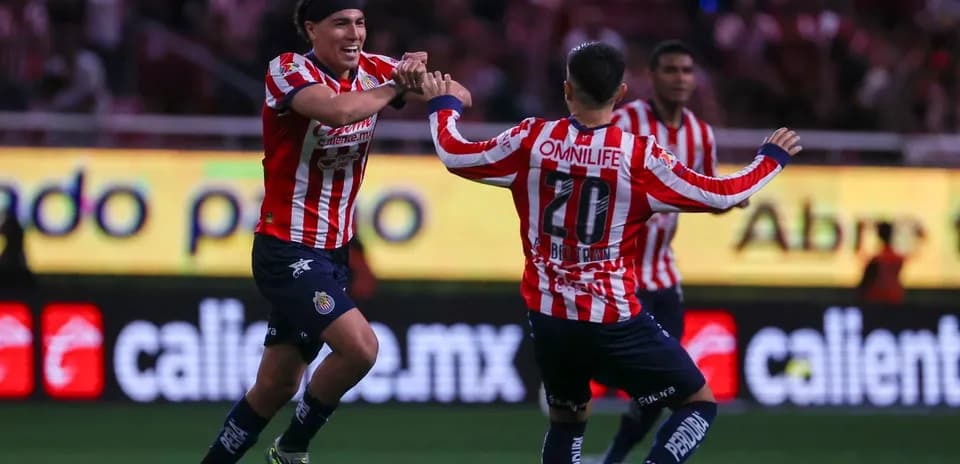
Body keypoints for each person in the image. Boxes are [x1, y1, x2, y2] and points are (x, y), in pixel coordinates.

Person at [420, 42, 801, 463]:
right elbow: (722, 194)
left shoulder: (532, 139)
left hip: (549, 318)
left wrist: (444, 104)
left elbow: (453, 153)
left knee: (567, 422)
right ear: (621, 93)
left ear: (567, 89)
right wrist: (771, 159)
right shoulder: (638, 156)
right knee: (698, 403)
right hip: (612, 319)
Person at [199, 1, 470, 463]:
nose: (354, 33)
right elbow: (337, 111)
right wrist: (397, 86)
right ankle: (291, 449)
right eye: (340, 23)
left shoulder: (376, 71)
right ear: (311, 29)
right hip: (286, 249)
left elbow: (460, 93)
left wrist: (430, 88)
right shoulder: (287, 70)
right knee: (361, 349)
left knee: (275, 386)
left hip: (334, 253)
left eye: (360, 23)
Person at [598, 39, 737, 464]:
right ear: (652, 76)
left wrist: (729, 199)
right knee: (632, 377)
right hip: (618, 276)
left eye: (687, 71)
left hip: (663, 277)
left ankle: (614, 456)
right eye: (671, 70)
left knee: (662, 388)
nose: (680, 78)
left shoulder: (700, 134)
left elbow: (706, 193)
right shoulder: (623, 122)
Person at [857, 221, 906, 305]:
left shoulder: (878, 260)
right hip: (895, 299)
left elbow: (865, 284)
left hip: (878, 301)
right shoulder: (898, 258)